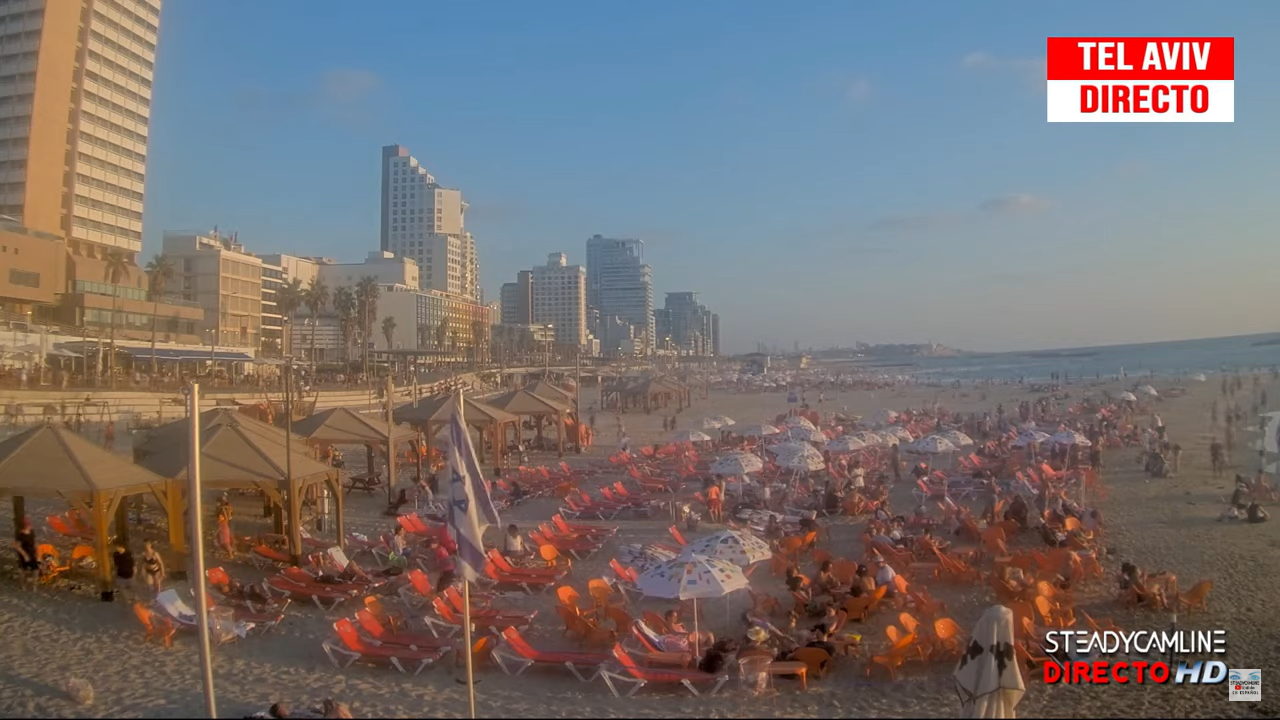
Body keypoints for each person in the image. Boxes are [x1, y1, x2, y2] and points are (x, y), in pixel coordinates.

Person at [13, 518, 38, 589]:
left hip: (32, 553)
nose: (29, 526)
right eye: (28, 525)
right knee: (23, 570)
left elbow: (34, 542)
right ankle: (22, 585)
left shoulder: (31, 532)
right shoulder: (20, 535)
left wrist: (37, 553)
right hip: (24, 553)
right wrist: (24, 555)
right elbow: (16, 546)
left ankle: (34, 585)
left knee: (35, 569)